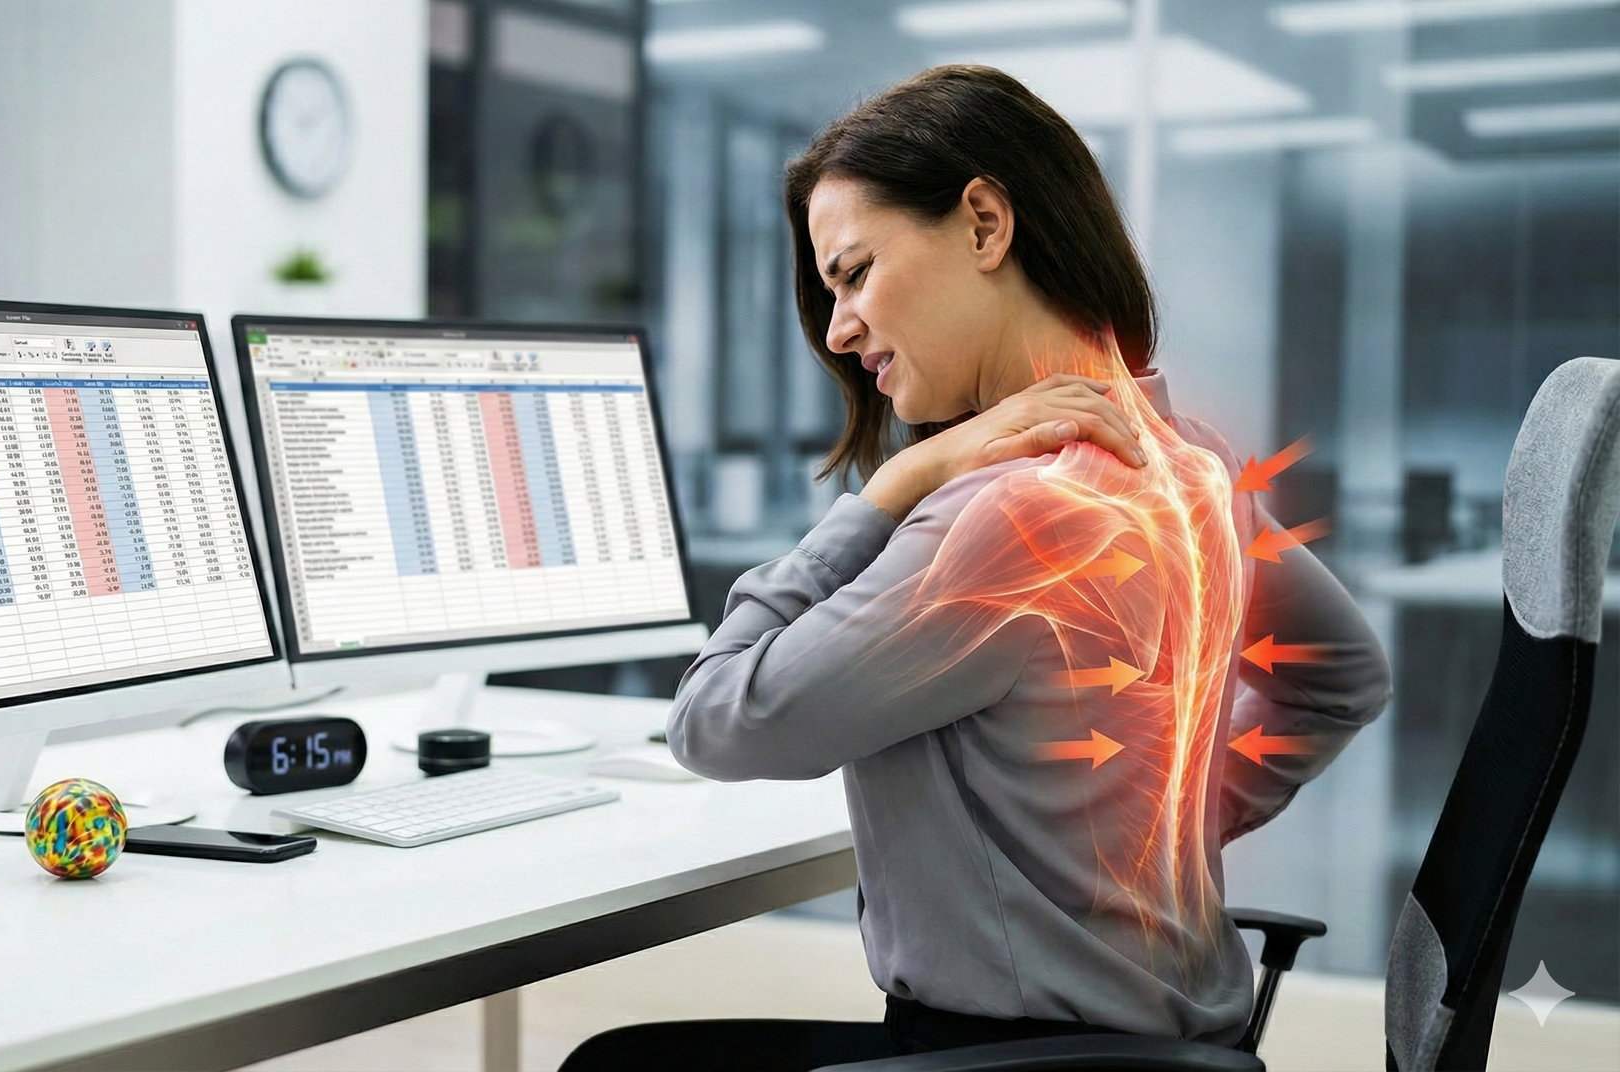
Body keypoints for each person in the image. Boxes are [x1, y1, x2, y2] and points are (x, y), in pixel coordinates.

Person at [560, 66, 1391, 1072]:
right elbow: (1340, 677)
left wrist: (891, 486)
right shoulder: (1192, 466)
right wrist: (1154, 829)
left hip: (1013, 1059)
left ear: (985, 224)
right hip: (1163, 1049)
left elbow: (715, 718)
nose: (838, 329)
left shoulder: (1007, 518)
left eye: (855, 273)